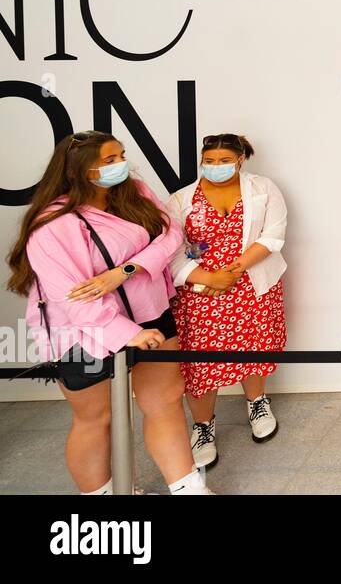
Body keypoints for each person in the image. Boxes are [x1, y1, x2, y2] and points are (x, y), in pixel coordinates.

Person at [4, 130, 211, 495]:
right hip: (82, 330)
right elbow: (71, 297)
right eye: (110, 161)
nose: (121, 166)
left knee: (164, 401)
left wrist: (124, 272)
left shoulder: (135, 192)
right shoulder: (53, 225)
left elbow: (170, 235)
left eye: (121, 156)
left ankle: (188, 487)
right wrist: (125, 333)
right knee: (94, 419)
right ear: (78, 170)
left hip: (151, 310)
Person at [167, 133, 290, 470]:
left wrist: (231, 272)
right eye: (209, 160)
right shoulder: (180, 199)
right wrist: (208, 278)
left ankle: (257, 402)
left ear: (240, 160)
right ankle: (203, 427)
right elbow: (172, 249)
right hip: (202, 293)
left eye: (224, 160)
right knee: (201, 363)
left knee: (253, 349)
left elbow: (273, 236)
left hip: (250, 283)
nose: (216, 166)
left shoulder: (264, 189)